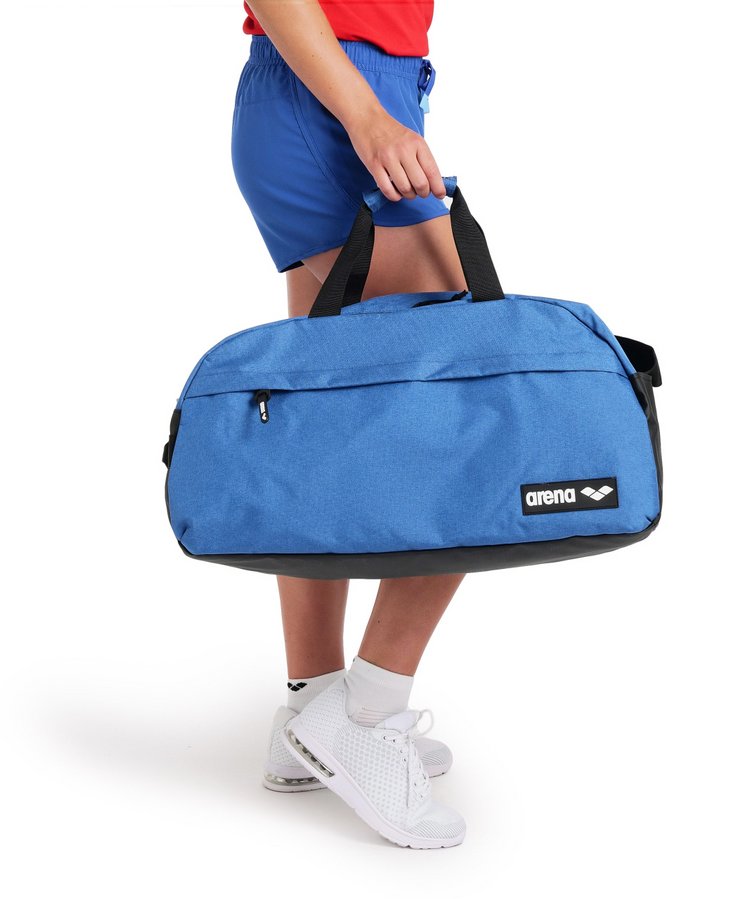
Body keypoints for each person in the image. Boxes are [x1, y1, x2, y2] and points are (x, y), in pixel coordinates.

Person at [231, 0, 468, 849]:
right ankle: (365, 714)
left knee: (319, 423)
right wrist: (365, 114)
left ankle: (311, 706)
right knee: (468, 414)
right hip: (336, 96)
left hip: (332, 93)